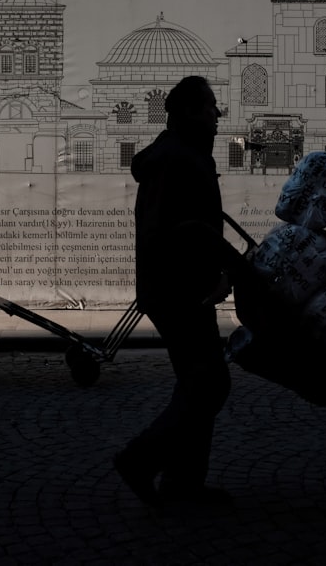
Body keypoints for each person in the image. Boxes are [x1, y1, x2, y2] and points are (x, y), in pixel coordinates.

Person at [113, 76, 253, 507]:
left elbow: (191, 225)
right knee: (209, 384)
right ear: (190, 112)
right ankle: (143, 459)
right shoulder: (182, 160)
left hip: (173, 286)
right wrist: (231, 265)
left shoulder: (175, 156)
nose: (217, 115)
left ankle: (182, 482)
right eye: (211, 107)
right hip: (180, 289)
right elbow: (187, 230)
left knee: (197, 383)